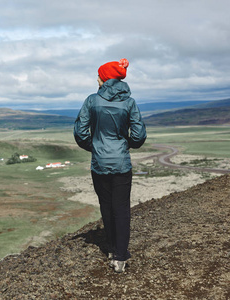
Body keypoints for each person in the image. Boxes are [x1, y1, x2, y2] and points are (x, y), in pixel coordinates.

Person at [74, 58, 146, 273]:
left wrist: (95, 147)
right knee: (122, 208)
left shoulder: (91, 101)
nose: (96, 79)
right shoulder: (130, 102)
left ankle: (113, 249)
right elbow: (139, 134)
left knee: (106, 205)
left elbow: (80, 132)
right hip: (122, 163)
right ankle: (121, 257)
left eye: (98, 75)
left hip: (99, 163)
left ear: (104, 78)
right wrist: (126, 145)